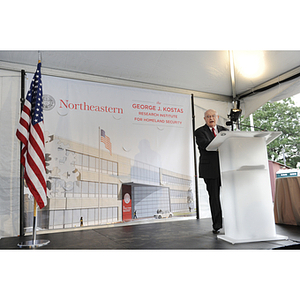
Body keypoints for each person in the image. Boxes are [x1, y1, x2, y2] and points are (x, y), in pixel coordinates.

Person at [194, 109, 228, 234]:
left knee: (230, 196)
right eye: (208, 116)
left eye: (213, 116)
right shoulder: (199, 132)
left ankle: (232, 222)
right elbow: (206, 145)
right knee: (214, 197)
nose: (211, 118)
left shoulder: (225, 131)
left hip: (226, 168)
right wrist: (222, 143)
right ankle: (217, 225)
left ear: (217, 117)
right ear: (204, 119)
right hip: (210, 169)